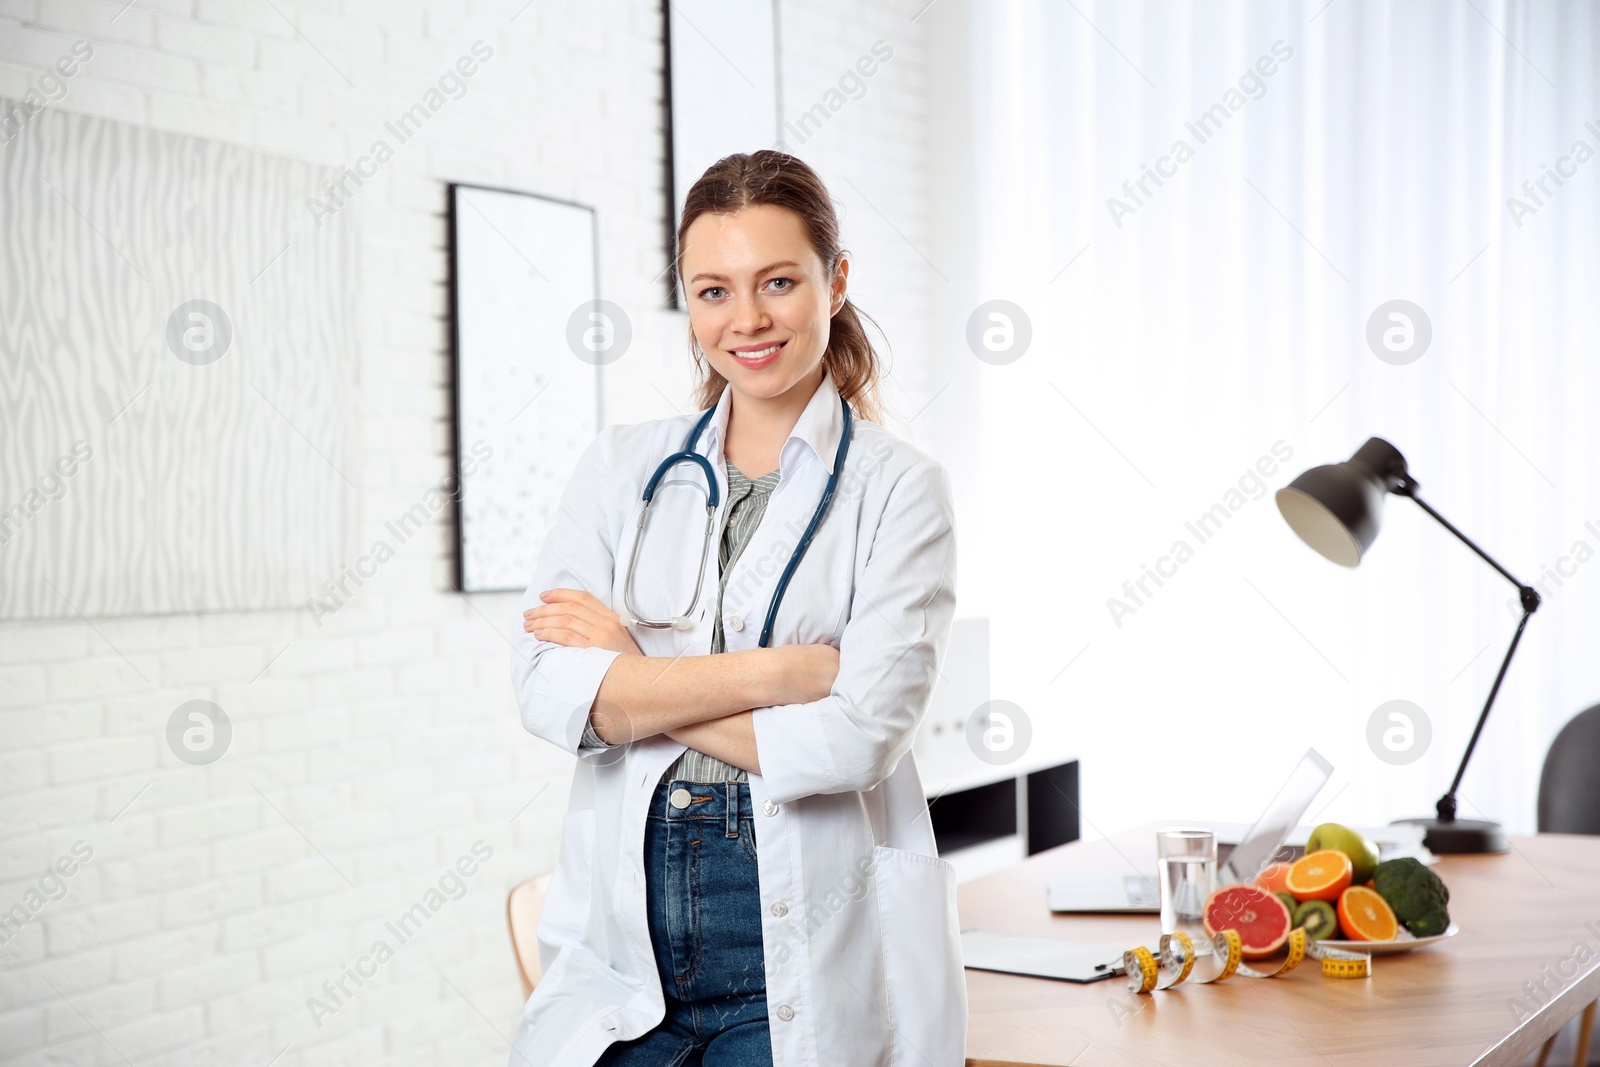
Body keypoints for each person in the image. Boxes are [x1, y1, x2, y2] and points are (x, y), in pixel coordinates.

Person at [508, 150, 965, 1067]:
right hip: (624, 949)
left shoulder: (899, 489)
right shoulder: (619, 468)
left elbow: (858, 736)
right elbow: (551, 693)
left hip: (799, 951)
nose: (747, 320)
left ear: (835, 282)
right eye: (713, 290)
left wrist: (634, 672)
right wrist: (779, 675)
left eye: (779, 282)